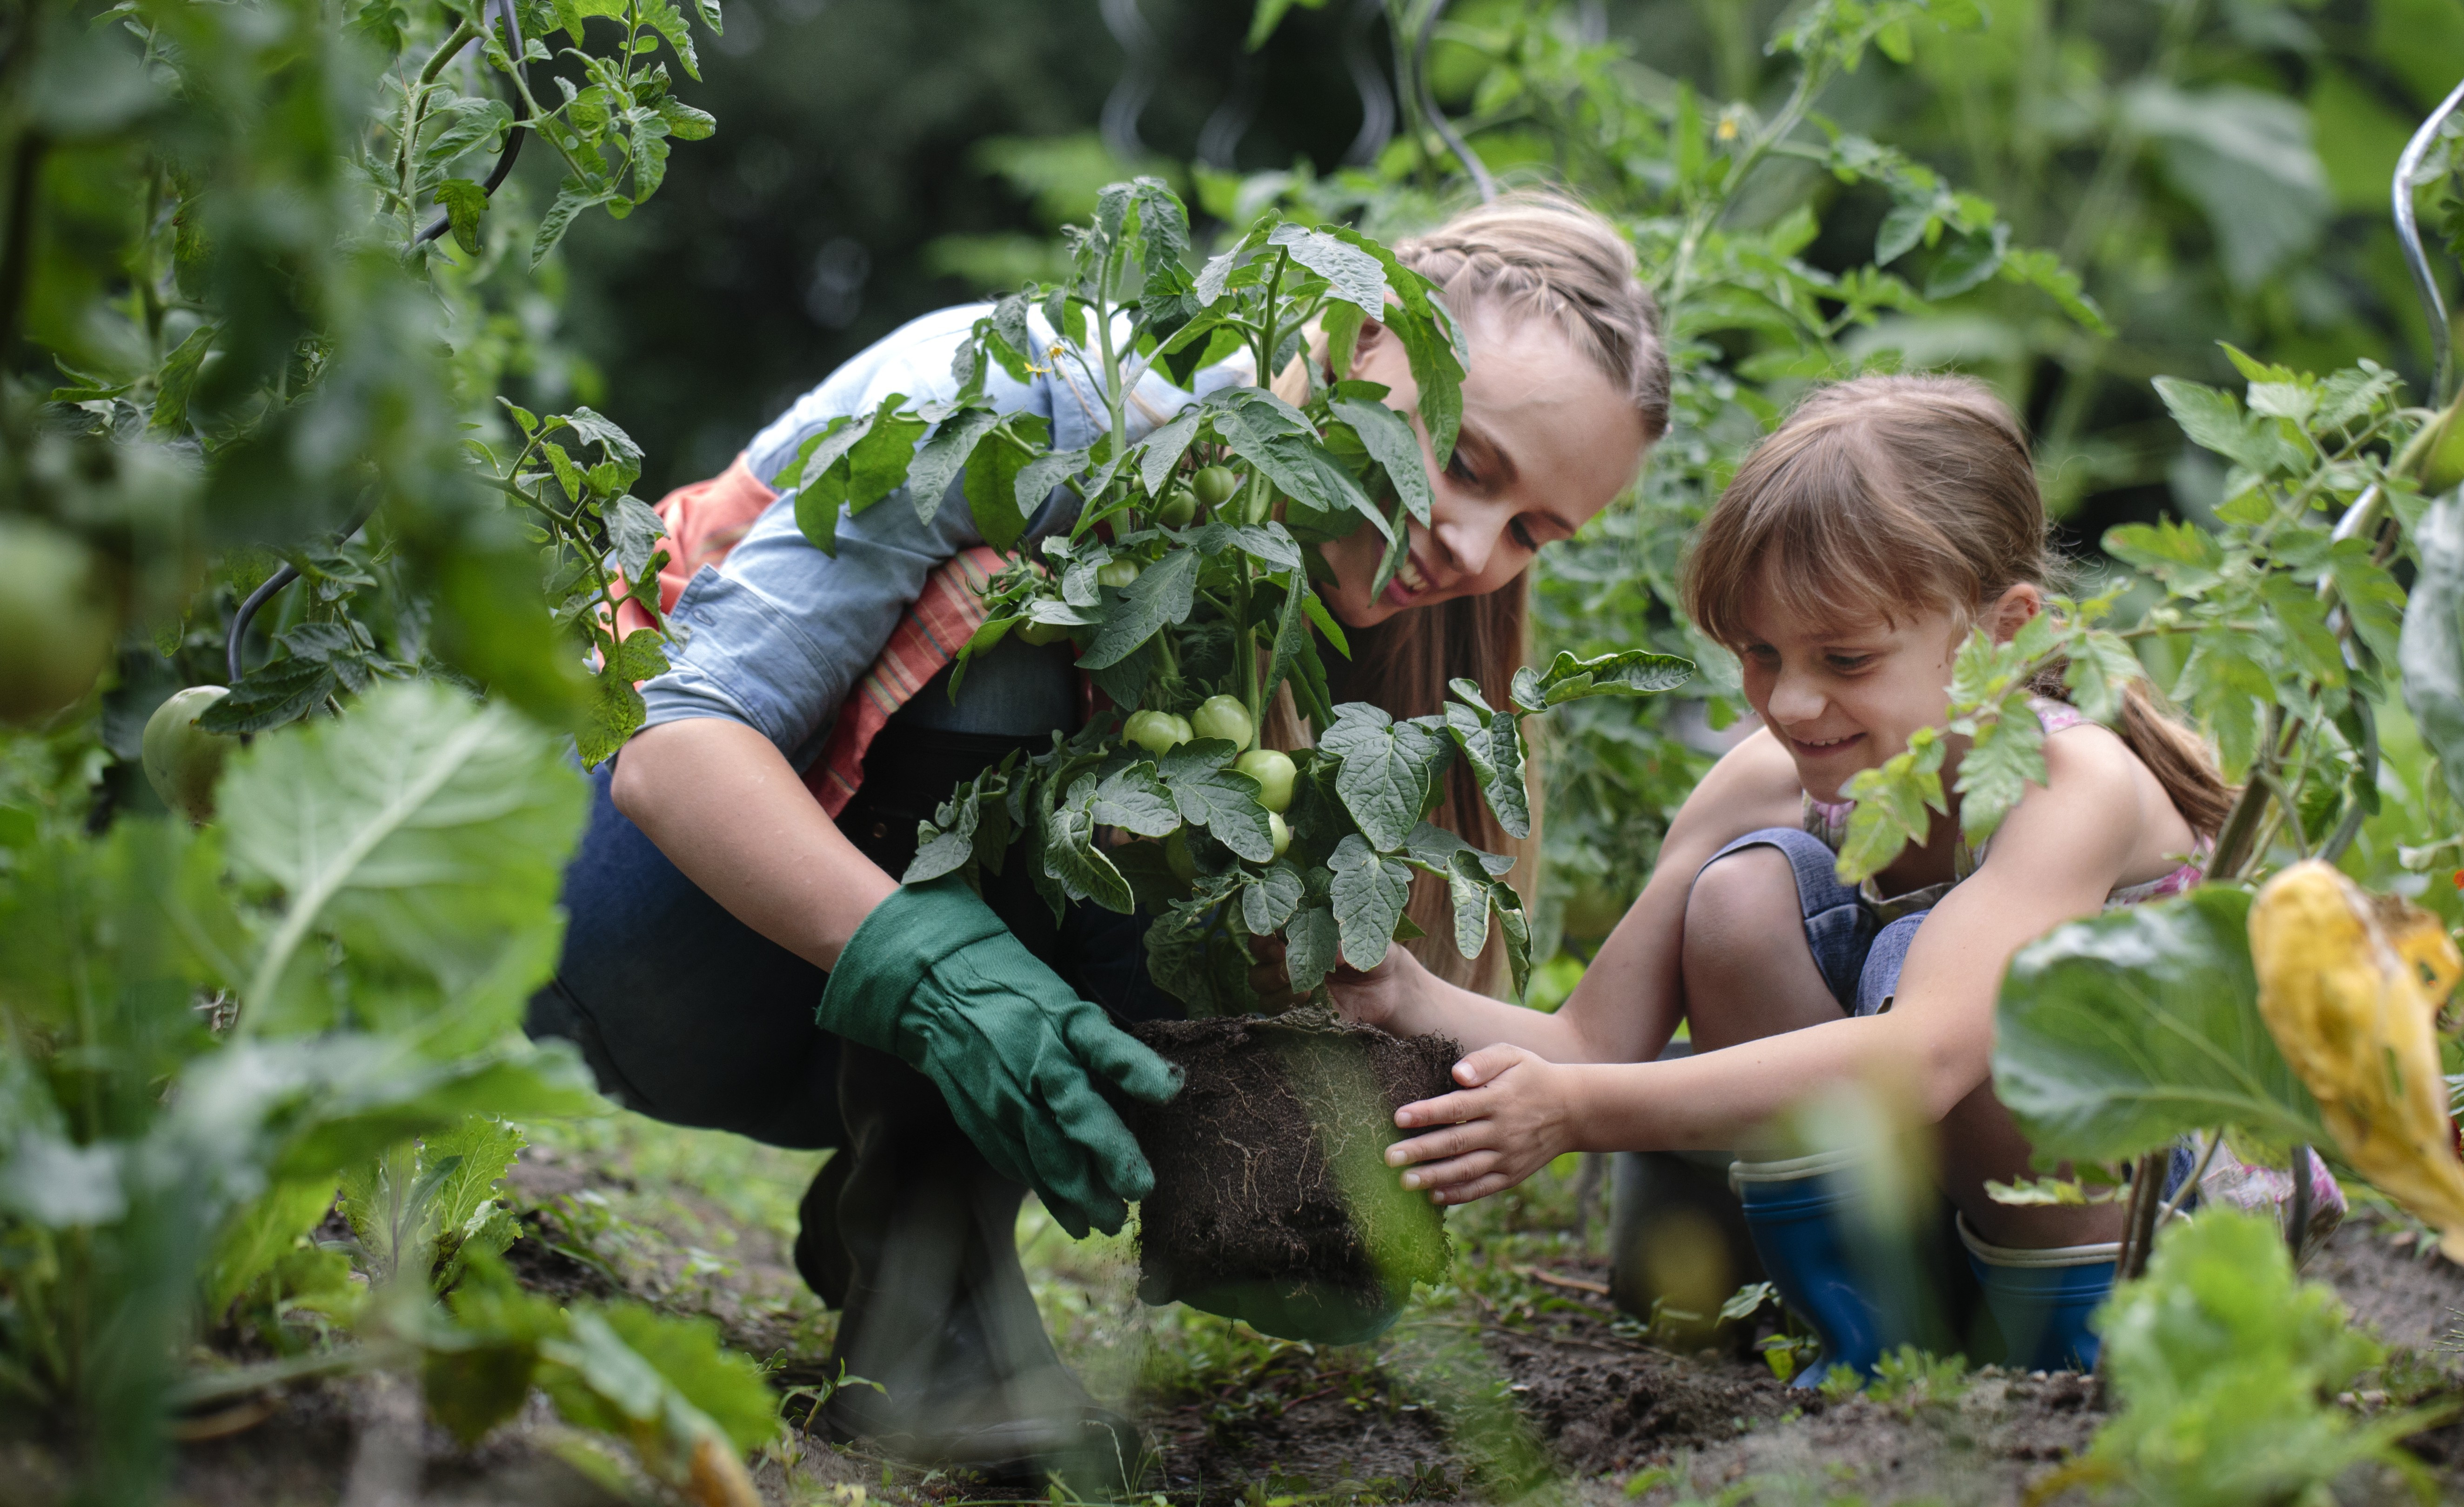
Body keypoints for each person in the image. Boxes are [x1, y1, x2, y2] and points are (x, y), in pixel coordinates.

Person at [522, 194, 1669, 1474]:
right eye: (1466, 464)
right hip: (625, 931)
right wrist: (933, 970)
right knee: (1031, 609)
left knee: (1202, 799)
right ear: (1361, 338)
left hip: (830, 1013)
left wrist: (1303, 1148)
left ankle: (906, 1230)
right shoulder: (1039, 407)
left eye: (1533, 533)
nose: (1470, 545)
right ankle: (935, 1321)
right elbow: (674, 746)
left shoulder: (1366, 611)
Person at [1325, 375, 2237, 1377]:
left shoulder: (2071, 781)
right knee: (1738, 899)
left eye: (1846, 659)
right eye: (1761, 653)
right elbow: (1594, 1043)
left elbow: (1925, 1059)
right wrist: (1400, 994)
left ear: (2002, 631)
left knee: (1967, 983)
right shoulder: (1770, 779)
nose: (1792, 703)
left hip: (2154, 1239)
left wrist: (1576, 1112)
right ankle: (1870, 1351)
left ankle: (2067, 1366)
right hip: (1944, 1214)